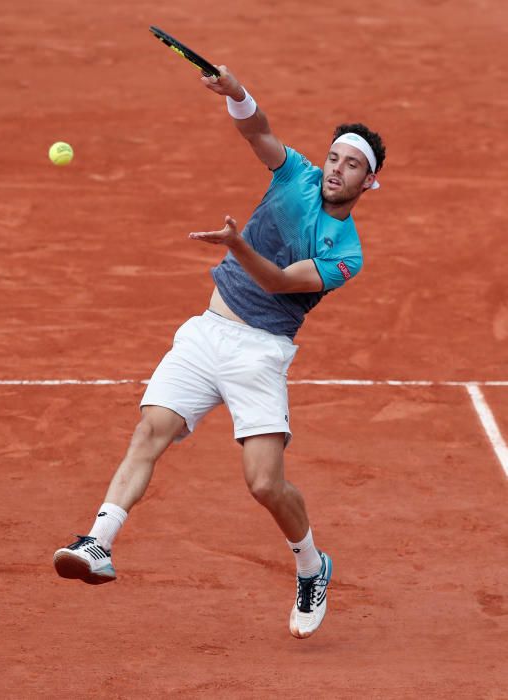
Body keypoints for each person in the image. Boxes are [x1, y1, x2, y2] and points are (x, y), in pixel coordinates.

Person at [53, 65, 386, 639]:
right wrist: (238, 94)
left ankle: (311, 564)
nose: (336, 168)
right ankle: (99, 541)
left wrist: (236, 244)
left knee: (264, 485)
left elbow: (282, 282)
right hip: (206, 331)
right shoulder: (298, 177)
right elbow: (259, 133)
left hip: (260, 353)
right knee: (149, 432)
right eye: (335, 157)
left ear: (367, 184)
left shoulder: (346, 253)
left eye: (351, 165)